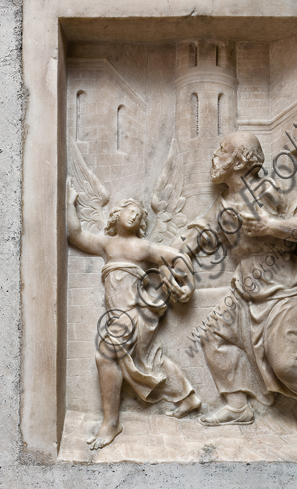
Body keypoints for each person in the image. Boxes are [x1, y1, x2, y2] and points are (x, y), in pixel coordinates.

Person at [168, 131, 297, 426]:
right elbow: (195, 234)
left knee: (289, 367)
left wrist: (271, 225)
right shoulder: (222, 205)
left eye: (222, 150)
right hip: (246, 292)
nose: (215, 156)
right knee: (214, 336)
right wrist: (166, 257)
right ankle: (238, 406)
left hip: (284, 290)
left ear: (239, 161)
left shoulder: (271, 189)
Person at [66, 181, 201, 449]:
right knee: (146, 361)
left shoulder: (143, 247)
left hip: (137, 312)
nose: (135, 215)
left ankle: (111, 423)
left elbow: (177, 257)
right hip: (118, 316)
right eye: (130, 210)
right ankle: (187, 396)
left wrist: (189, 284)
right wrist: (69, 202)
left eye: (139, 215)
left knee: (105, 354)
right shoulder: (107, 245)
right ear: (117, 215)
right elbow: (75, 235)